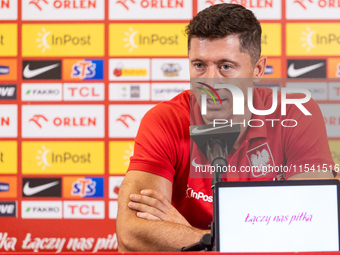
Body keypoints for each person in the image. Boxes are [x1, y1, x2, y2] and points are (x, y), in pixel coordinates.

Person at [116, 3, 335, 251]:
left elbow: (312, 232)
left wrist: (199, 238)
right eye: (199, 65)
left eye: (226, 67)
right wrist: (257, 237)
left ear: (258, 69)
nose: (210, 82)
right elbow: (132, 237)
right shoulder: (165, 119)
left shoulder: (296, 114)